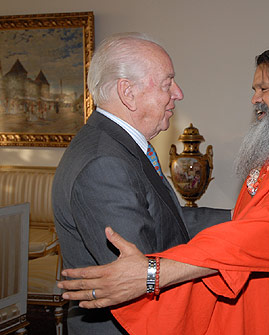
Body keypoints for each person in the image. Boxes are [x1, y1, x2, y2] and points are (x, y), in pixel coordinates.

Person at [58, 48, 269, 334]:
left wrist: (153, 273)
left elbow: (265, 232)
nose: (254, 99)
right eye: (255, 90)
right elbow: (249, 225)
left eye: (263, 89)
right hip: (263, 307)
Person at [52, 32, 230, 334]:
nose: (178, 93)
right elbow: (145, 270)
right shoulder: (104, 164)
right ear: (128, 93)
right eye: (167, 83)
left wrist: (242, 218)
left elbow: (164, 219)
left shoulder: (119, 145)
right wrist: (233, 254)